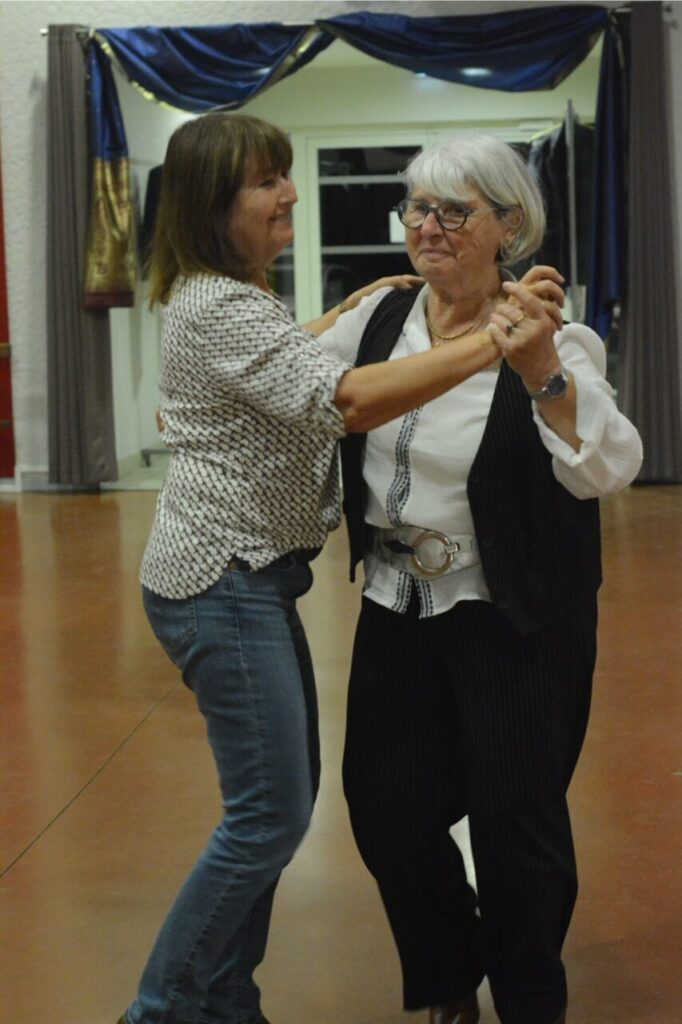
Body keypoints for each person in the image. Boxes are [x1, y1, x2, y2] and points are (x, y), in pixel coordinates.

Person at [120, 115, 560, 1024]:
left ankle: (224, 1003)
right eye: (264, 182)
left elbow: (283, 359)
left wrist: (345, 312)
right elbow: (345, 401)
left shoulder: (237, 298)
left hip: (254, 579)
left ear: (505, 226)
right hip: (224, 579)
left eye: (285, 174)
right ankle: (166, 1010)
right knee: (270, 820)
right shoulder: (221, 303)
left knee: (274, 812)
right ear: (211, 206)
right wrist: (498, 336)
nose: (287, 193)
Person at [318, 134, 643, 1024]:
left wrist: (540, 370)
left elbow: (606, 469)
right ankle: (448, 977)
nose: (427, 225)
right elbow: (308, 389)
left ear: (508, 225)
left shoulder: (555, 334)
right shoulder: (375, 319)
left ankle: (531, 999)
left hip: (514, 613)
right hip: (397, 600)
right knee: (384, 810)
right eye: (415, 207)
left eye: (452, 210)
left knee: (517, 826)